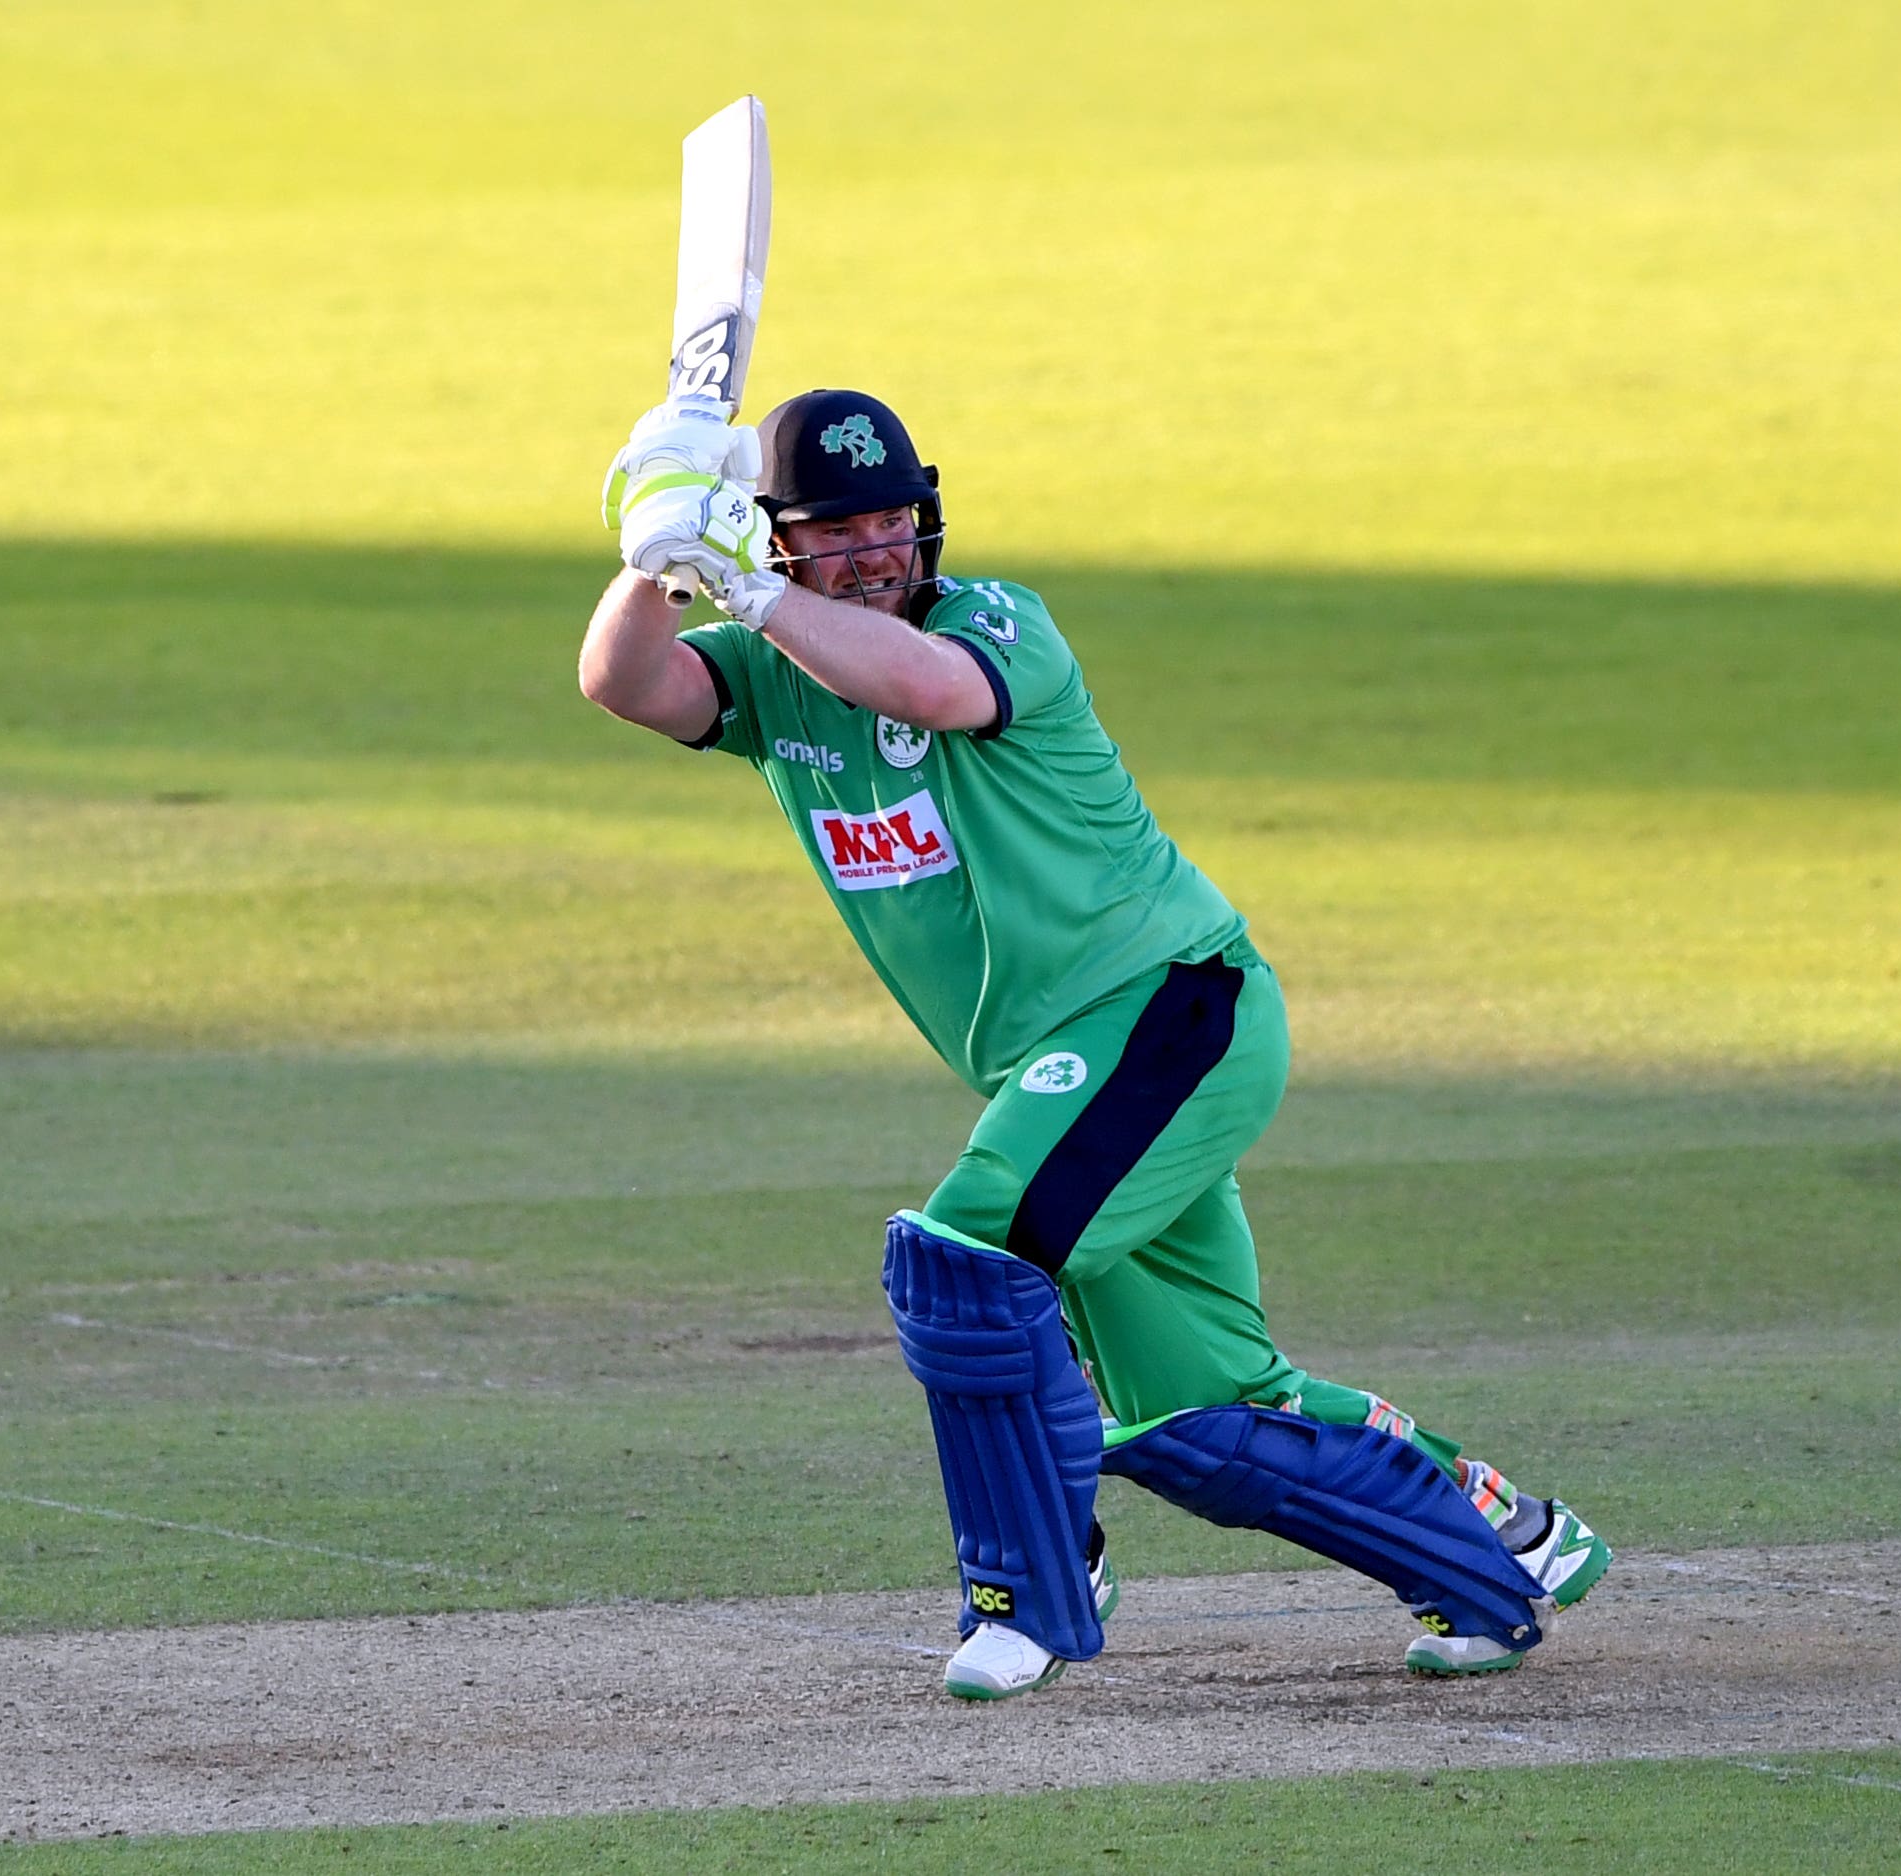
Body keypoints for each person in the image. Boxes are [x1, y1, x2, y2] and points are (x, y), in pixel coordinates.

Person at [582, 388, 1608, 1699]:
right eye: (835, 532)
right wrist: (651, 554)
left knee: (966, 1261)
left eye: (892, 520)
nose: (874, 553)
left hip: (1167, 1010)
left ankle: (1034, 1592)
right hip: (1069, 1061)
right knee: (1204, 1409)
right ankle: (1495, 1548)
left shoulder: (991, 624)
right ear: (783, 536)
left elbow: (934, 692)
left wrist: (739, 575)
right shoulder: (775, 675)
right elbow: (624, 682)